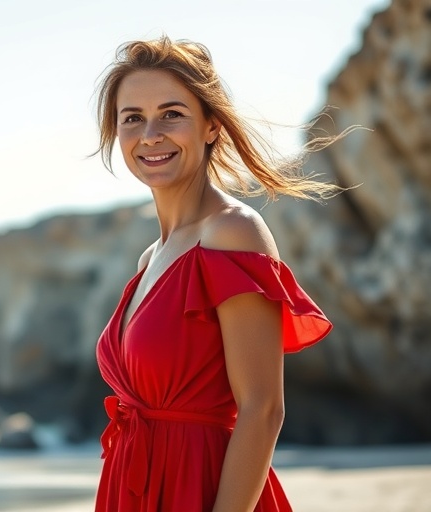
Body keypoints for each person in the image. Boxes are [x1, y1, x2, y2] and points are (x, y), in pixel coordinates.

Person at [92, 36, 350, 511]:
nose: (151, 134)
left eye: (172, 114)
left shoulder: (233, 232)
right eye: (132, 118)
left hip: (204, 490)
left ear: (211, 127)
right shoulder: (151, 258)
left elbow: (263, 409)